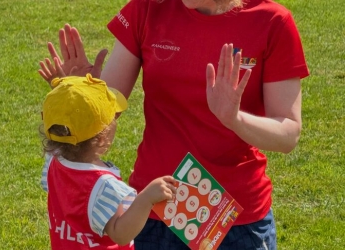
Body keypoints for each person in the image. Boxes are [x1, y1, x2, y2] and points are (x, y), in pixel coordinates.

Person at [38, 0, 309, 249]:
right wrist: (81, 95)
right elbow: (108, 109)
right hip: (154, 210)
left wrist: (234, 119)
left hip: (234, 222)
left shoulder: (273, 22)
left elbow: (288, 134)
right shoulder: (149, 7)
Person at [39, 73, 176, 249]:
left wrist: (64, 107)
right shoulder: (103, 186)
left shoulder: (53, 163)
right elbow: (120, 234)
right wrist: (146, 199)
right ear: (103, 137)